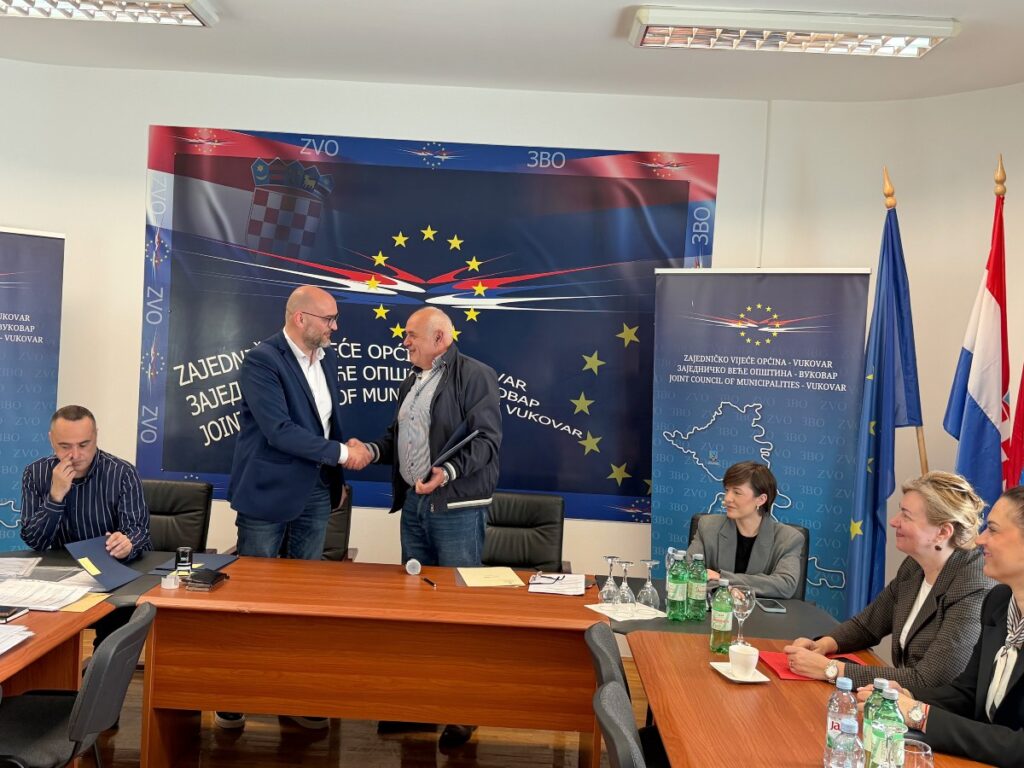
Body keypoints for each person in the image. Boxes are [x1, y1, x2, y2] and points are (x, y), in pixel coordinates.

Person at [347, 306, 501, 750]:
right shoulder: (413, 380)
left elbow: (487, 442)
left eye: (412, 335)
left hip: (455, 507)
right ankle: (418, 704)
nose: (405, 341)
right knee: (416, 606)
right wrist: (371, 451)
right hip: (415, 506)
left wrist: (446, 473)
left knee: (458, 611)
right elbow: (398, 438)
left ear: (439, 338)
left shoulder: (475, 375)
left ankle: (463, 710)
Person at [220, 285, 352, 731]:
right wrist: (342, 455)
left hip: (315, 490)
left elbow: (326, 424)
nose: (335, 327)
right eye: (329, 319)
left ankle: (292, 690)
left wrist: (336, 474)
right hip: (267, 492)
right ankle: (236, 693)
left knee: (303, 597)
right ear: (301, 318)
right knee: (252, 596)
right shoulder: (263, 361)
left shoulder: (324, 361)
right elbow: (278, 430)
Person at [863, 486, 1024, 768]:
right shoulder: (998, 602)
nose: (979, 539)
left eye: (993, 530)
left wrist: (919, 714)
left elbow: (1018, 747)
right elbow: (967, 693)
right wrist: (905, 696)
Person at [784, 471, 990, 689]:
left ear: (943, 532)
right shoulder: (914, 566)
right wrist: (824, 644)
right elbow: (867, 625)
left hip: (931, 705)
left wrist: (832, 670)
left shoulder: (974, 586)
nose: (893, 521)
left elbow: (928, 681)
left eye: (906, 516)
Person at [20, 404, 151, 648]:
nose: (75, 455)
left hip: (112, 576)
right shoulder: (35, 473)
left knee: (115, 629)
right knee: (37, 633)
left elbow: (139, 530)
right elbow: (34, 541)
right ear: (51, 440)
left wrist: (127, 543)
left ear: (96, 436)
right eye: (65, 446)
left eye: (83, 445)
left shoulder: (121, 472)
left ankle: (101, 670)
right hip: (59, 578)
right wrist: (56, 496)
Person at [687, 461, 803, 599]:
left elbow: (785, 584)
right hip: (716, 608)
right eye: (727, 490)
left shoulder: (788, 538)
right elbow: (689, 571)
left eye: (737, 492)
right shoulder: (708, 526)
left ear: (761, 500)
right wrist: (723, 589)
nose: (727, 498)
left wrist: (722, 578)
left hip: (759, 611)